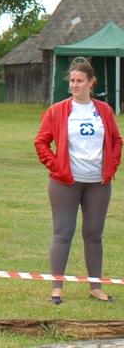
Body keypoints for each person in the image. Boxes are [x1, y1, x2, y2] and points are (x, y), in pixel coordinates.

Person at [34, 58, 122, 304]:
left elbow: (116, 141)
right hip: (65, 183)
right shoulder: (58, 110)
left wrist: (110, 167)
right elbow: (41, 142)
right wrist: (57, 166)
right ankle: (57, 289)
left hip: (98, 184)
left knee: (94, 234)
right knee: (62, 233)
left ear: (91, 82)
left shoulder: (103, 110)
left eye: (79, 81)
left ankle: (96, 287)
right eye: (72, 81)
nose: (74, 85)